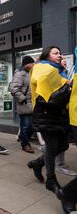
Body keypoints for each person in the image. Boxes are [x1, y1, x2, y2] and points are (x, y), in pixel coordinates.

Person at [27, 47, 71, 194]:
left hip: (58, 112)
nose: (59, 55)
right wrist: (64, 81)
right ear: (47, 55)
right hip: (45, 112)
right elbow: (42, 83)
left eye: (60, 53)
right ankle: (51, 180)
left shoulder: (57, 69)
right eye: (55, 53)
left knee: (64, 145)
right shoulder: (42, 67)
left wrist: (62, 75)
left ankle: (38, 163)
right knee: (52, 147)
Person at [10, 56, 35, 153]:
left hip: (32, 103)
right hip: (24, 104)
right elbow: (13, 89)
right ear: (27, 64)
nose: (33, 65)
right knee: (26, 125)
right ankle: (25, 144)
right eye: (32, 63)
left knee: (32, 126)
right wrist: (22, 99)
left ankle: (22, 137)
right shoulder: (20, 74)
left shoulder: (31, 73)